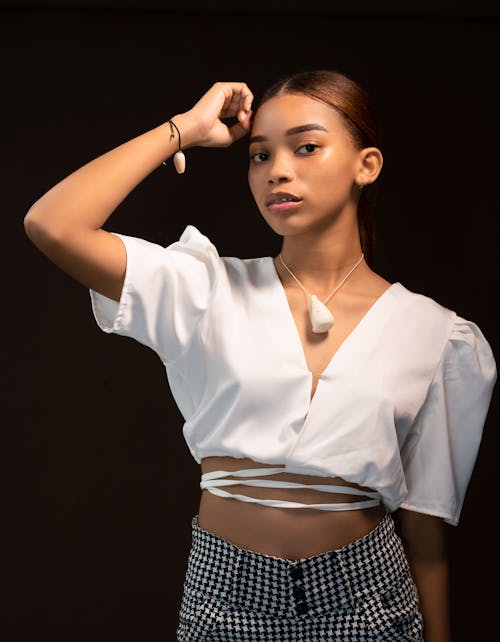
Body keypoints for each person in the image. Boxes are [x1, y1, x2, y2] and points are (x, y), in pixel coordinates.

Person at [24, 70, 497, 642]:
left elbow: (424, 530)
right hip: (227, 594)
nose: (277, 169)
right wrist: (183, 130)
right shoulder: (204, 289)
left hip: (368, 596)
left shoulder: (436, 335)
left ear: (366, 165)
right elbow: (53, 224)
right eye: (258, 155)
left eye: (306, 147)